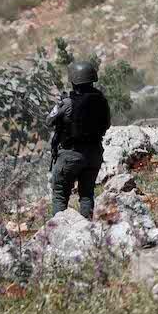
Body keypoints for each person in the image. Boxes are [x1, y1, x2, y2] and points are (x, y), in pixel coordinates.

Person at [48, 60, 111, 219]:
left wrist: (59, 104)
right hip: (94, 154)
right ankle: (87, 229)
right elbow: (107, 124)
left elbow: (49, 121)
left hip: (71, 154)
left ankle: (59, 230)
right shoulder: (101, 101)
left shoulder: (68, 103)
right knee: (87, 195)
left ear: (74, 80)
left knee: (60, 195)